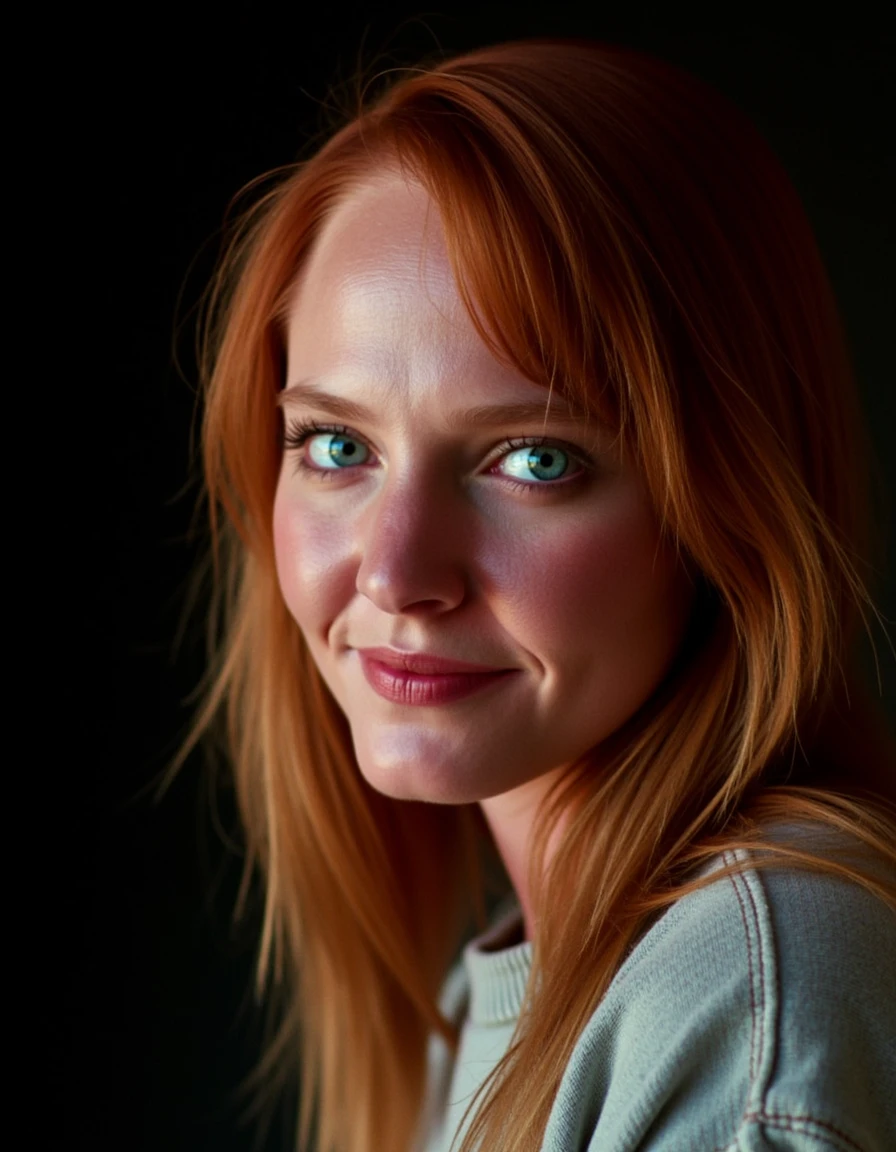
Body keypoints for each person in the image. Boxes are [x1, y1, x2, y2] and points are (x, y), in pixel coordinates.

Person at [183, 38, 896, 1152]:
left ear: (723, 504)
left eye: (534, 460)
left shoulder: (744, 1000)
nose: (392, 573)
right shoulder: (500, 999)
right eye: (333, 443)